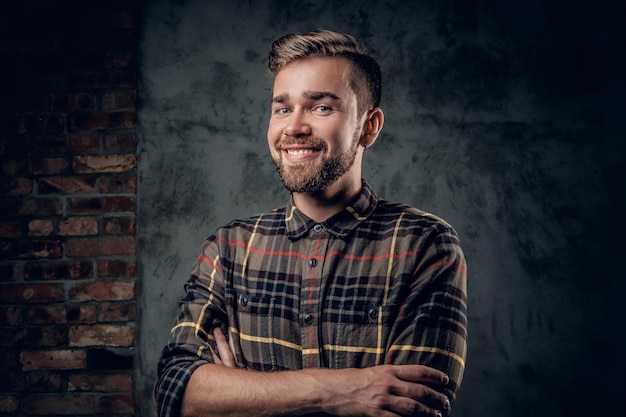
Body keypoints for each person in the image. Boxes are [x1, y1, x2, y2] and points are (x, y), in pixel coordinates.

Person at [155, 29, 467, 417]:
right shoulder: (229, 247)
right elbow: (175, 392)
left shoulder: (424, 244)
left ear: (368, 127)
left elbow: (413, 407)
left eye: (321, 108)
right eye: (283, 108)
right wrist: (334, 391)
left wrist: (245, 396)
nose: (294, 127)